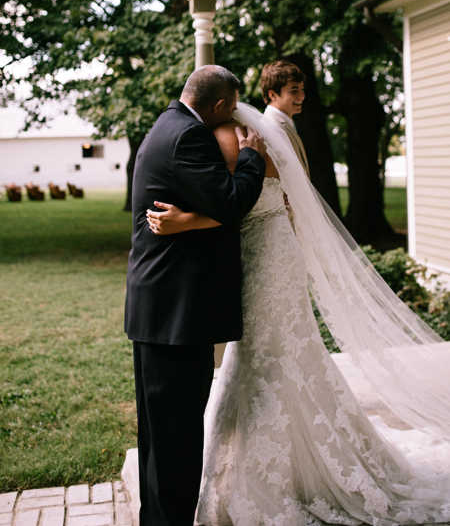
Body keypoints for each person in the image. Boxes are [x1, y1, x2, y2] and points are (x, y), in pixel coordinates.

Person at [146, 61, 450, 525]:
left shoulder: (237, 139)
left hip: (269, 253)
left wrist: (185, 219)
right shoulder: (238, 132)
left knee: (274, 354)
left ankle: (289, 470)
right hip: (259, 252)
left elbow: (233, 203)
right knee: (258, 358)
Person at [124, 64, 266, 526]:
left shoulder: (167, 125)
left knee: (160, 438)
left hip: (160, 310)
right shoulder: (190, 136)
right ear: (222, 105)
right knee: (177, 440)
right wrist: (251, 158)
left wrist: (188, 219)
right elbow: (229, 201)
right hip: (177, 314)